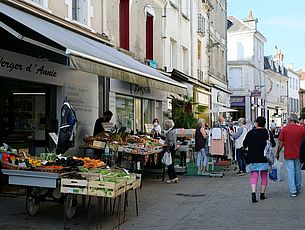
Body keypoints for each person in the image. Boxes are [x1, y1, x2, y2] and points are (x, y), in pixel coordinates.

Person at [243, 116, 276, 203]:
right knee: (264, 175)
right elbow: (273, 144)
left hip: (253, 157)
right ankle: (262, 194)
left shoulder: (251, 132)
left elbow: (244, 144)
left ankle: (253, 193)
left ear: (257, 123)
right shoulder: (267, 132)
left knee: (254, 175)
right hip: (265, 157)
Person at [276, 114, 305, 197]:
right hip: (299, 153)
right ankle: (298, 187)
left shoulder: (285, 129)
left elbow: (281, 143)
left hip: (288, 153)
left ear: (289, 120)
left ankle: (293, 190)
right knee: (297, 170)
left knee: (290, 171)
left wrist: (277, 152)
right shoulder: (301, 129)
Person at [164, 119, 178, 183]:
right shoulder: (173, 131)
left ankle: (172, 177)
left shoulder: (169, 132)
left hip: (171, 149)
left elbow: (170, 142)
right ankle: (174, 176)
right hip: (174, 148)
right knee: (171, 163)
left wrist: (167, 145)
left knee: (169, 163)